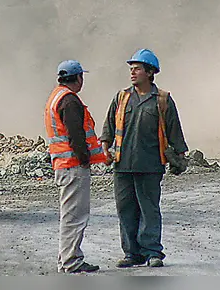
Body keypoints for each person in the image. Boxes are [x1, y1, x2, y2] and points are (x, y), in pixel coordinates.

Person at [100, 49, 188, 269]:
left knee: (149, 209)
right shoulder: (121, 97)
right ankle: (132, 253)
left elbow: (174, 130)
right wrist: (105, 148)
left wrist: (180, 156)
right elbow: (108, 127)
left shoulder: (162, 100)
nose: (132, 72)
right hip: (122, 165)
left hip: (150, 165)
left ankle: (152, 252)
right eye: (131, 69)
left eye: (137, 69)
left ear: (150, 72)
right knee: (125, 209)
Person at [44, 60, 107, 274]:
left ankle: (67, 260)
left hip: (64, 165)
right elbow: (76, 136)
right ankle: (71, 262)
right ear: (78, 78)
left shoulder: (57, 96)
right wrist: (85, 159)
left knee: (69, 215)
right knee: (75, 216)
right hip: (73, 166)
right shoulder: (70, 101)